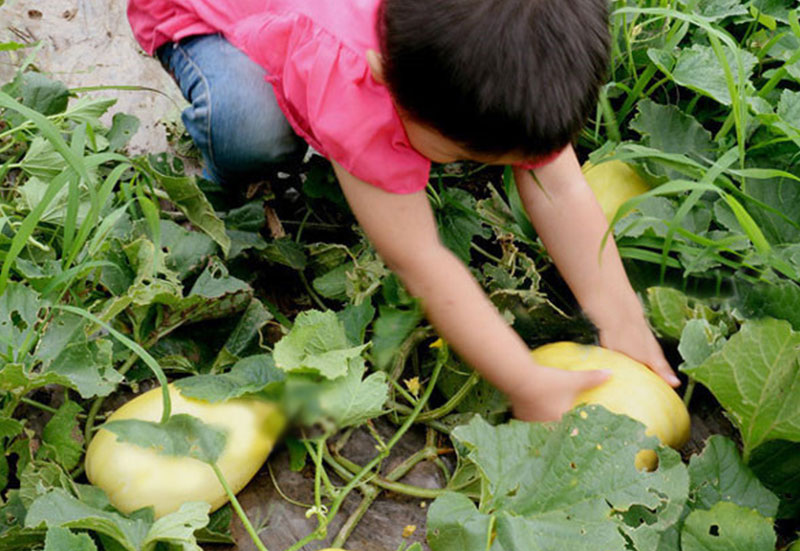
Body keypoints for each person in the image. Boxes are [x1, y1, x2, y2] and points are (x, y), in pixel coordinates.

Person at [127, 0, 680, 422]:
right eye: (463, 154)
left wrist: (621, 316)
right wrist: (525, 381)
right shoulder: (356, 85)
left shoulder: (504, 43)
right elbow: (421, 260)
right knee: (251, 129)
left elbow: (559, 188)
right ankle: (220, 175)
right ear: (387, 78)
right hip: (213, 14)